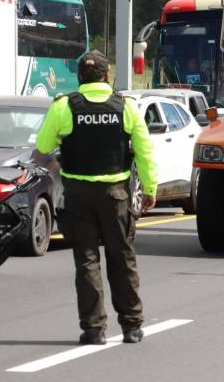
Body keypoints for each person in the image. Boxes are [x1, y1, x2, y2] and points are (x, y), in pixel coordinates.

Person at [34, 50, 157, 346]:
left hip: (78, 194)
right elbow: (144, 152)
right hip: (116, 195)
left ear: (80, 77)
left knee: (86, 261)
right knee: (122, 259)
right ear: (106, 76)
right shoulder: (125, 107)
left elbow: (43, 146)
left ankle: (94, 330)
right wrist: (150, 188)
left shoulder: (64, 106)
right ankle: (131, 327)